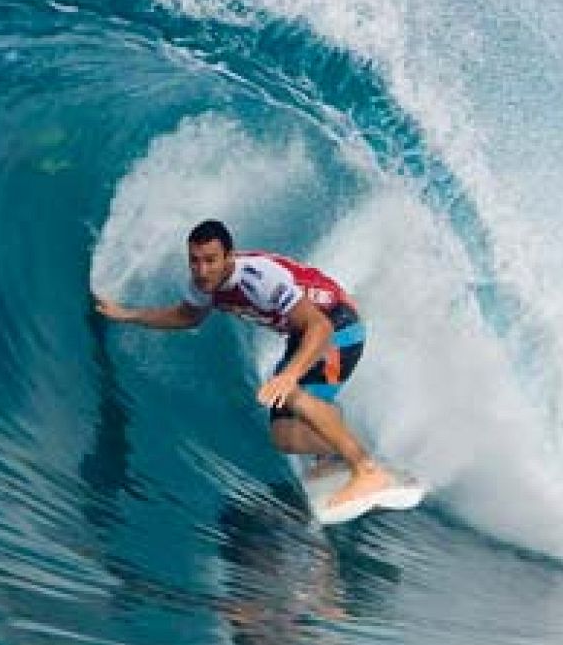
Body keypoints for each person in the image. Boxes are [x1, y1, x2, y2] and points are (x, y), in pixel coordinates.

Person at [94, 219, 403, 518]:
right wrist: (127, 315)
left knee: (289, 391)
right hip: (303, 333)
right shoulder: (205, 282)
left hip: (337, 327)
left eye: (211, 260)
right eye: (195, 261)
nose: (202, 270)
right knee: (286, 438)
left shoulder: (257, 279)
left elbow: (319, 326)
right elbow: (188, 317)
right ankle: (335, 449)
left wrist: (289, 376)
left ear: (229, 255)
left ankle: (367, 469)